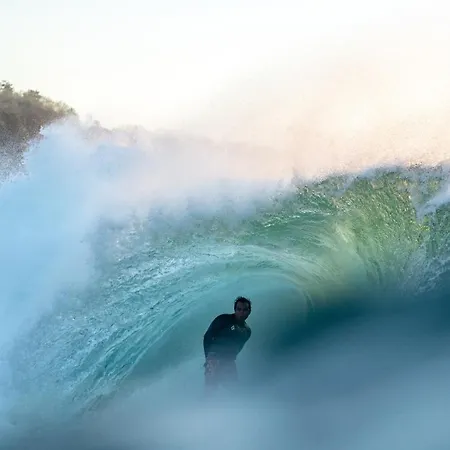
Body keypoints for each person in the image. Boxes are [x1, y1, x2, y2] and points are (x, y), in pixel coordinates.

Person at [203, 296, 252, 391]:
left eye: (245, 310)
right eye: (239, 309)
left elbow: (238, 348)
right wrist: (208, 358)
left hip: (228, 361)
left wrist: (231, 358)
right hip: (214, 357)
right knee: (211, 388)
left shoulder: (247, 331)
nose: (242, 312)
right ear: (235, 310)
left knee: (233, 389)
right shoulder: (224, 319)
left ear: (249, 311)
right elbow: (207, 337)